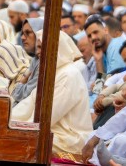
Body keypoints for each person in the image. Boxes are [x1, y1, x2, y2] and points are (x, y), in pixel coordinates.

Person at [12, 30, 92, 161]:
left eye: (41, 47)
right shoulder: (53, 73)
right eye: (37, 47)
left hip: (69, 140)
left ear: (55, 48)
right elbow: (28, 104)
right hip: (53, 132)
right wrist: (7, 121)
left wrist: (16, 131)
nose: (38, 52)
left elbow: (46, 119)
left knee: (17, 141)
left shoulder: (68, 75)